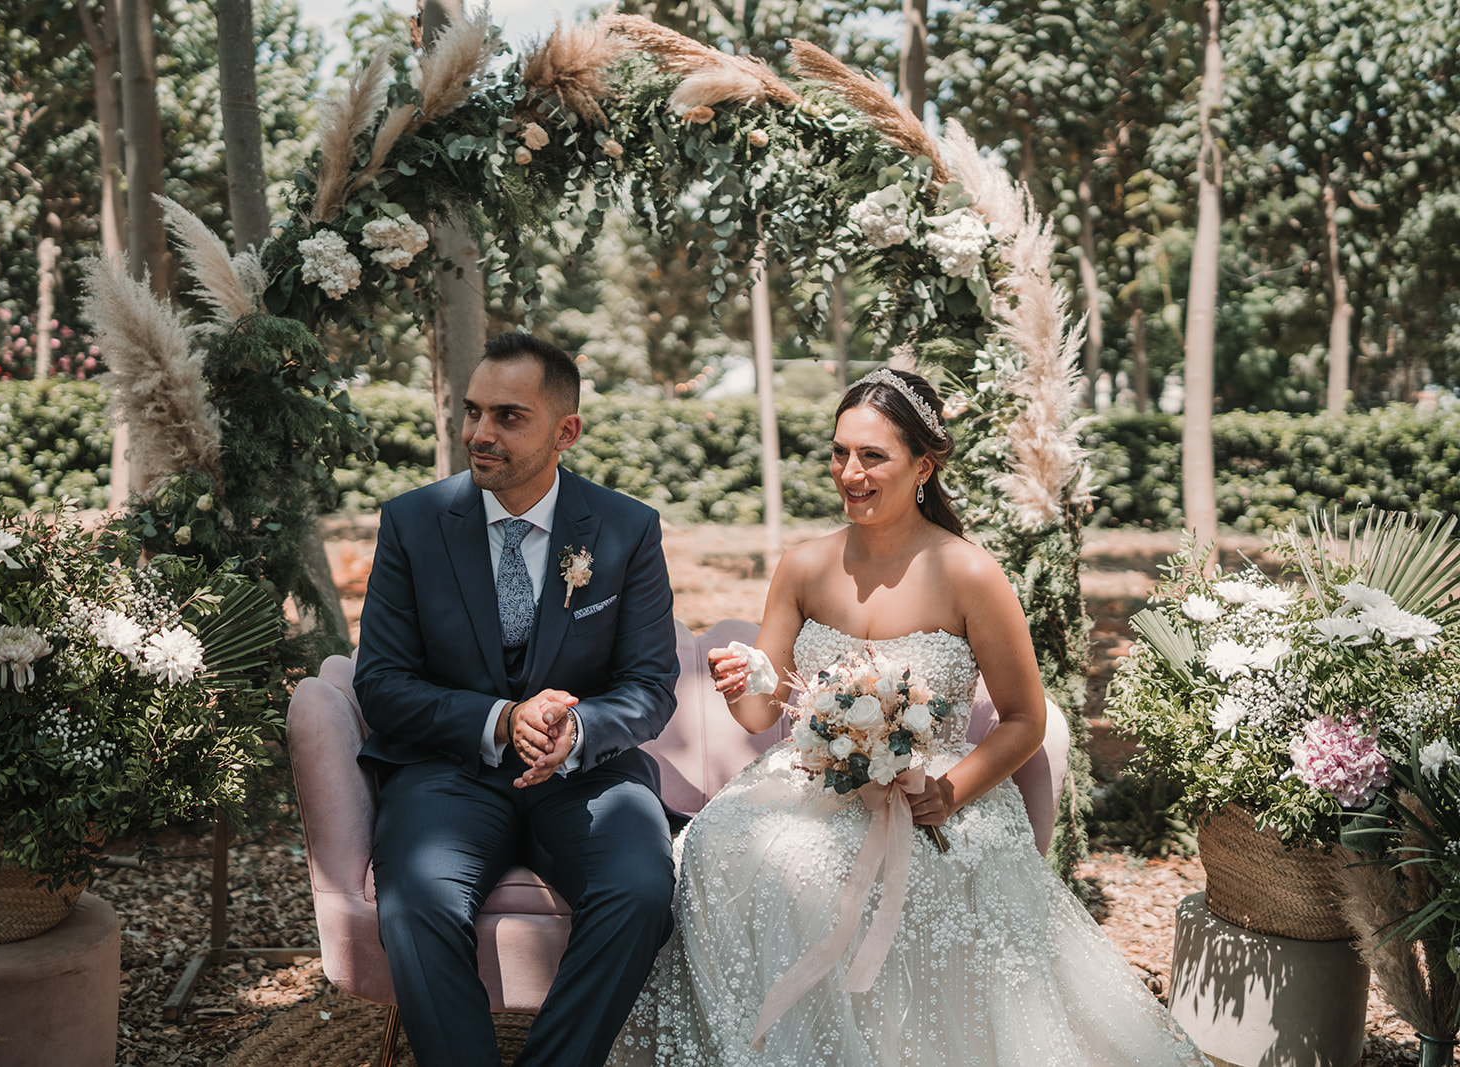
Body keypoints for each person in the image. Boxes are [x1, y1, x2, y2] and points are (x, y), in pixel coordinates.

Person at [609, 368, 1210, 1066]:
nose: (850, 472)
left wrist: (950, 793)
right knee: (727, 850)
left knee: (905, 886)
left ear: (922, 464)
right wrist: (745, 678)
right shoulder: (803, 566)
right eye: (839, 453)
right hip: (812, 785)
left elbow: (1024, 716)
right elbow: (755, 714)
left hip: (938, 794)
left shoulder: (969, 573)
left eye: (872, 455)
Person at [355, 333, 680, 1067]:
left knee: (638, 890)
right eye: (472, 412)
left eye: (508, 416)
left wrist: (580, 728)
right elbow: (380, 681)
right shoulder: (413, 523)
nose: (479, 433)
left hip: (586, 776)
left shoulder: (627, 530)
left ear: (566, 432)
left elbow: (651, 686)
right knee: (415, 902)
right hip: (448, 771)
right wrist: (499, 719)